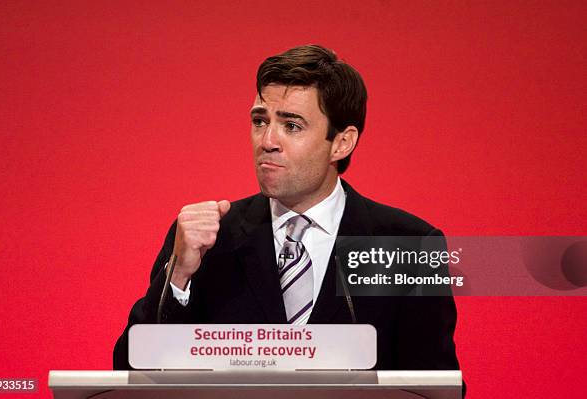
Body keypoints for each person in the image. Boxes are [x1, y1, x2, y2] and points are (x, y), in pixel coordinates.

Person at [113, 45, 462, 377]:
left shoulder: (407, 247)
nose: (267, 141)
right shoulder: (209, 239)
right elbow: (130, 372)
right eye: (260, 121)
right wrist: (177, 279)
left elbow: (434, 387)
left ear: (342, 142)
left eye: (291, 125)